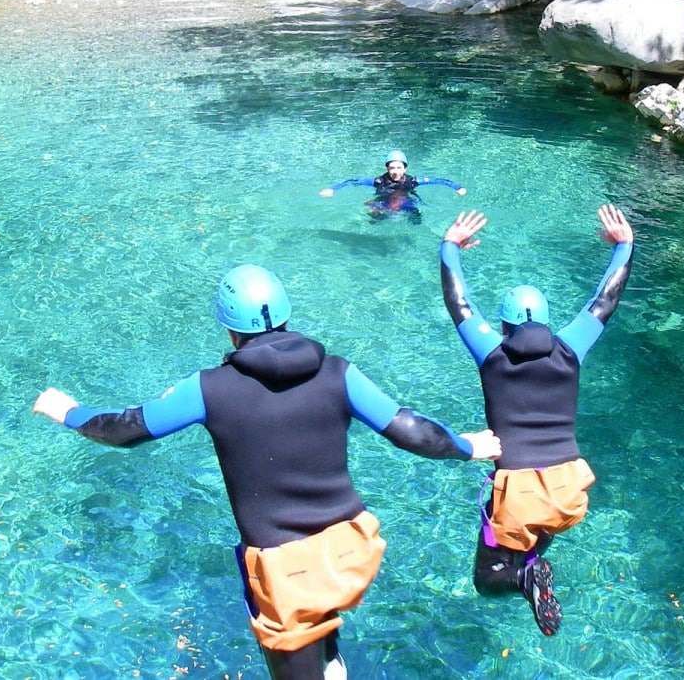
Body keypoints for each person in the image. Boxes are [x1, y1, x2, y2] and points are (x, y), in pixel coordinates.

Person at [32, 263, 501, 680]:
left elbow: (127, 428)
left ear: (230, 332)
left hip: (285, 571)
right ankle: (332, 657)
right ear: (285, 316)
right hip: (352, 552)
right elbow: (411, 430)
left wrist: (68, 410)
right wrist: (467, 446)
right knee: (322, 620)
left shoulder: (208, 389)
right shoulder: (338, 372)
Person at [437, 205, 634, 637]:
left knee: (489, 579)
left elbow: (459, 303)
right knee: (532, 542)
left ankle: (524, 579)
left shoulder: (492, 353)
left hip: (517, 493)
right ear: (546, 319)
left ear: (505, 326)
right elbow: (605, 301)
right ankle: (531, 570)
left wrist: (449, 246)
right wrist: (625, 246)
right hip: (568, 490)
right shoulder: (570, 348)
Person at [319, 150, 467, 222]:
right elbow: (352, 181)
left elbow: (439, 180)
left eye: (399, 167)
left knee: (416, 220)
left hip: (406, 202)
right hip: (383, 201)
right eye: (392, 168)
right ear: (387, 169)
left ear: (405, 169)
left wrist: (457, 187)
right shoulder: (378, 181)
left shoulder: (413, 181)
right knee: (374, 221)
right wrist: (332, 189)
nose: (395, 171)